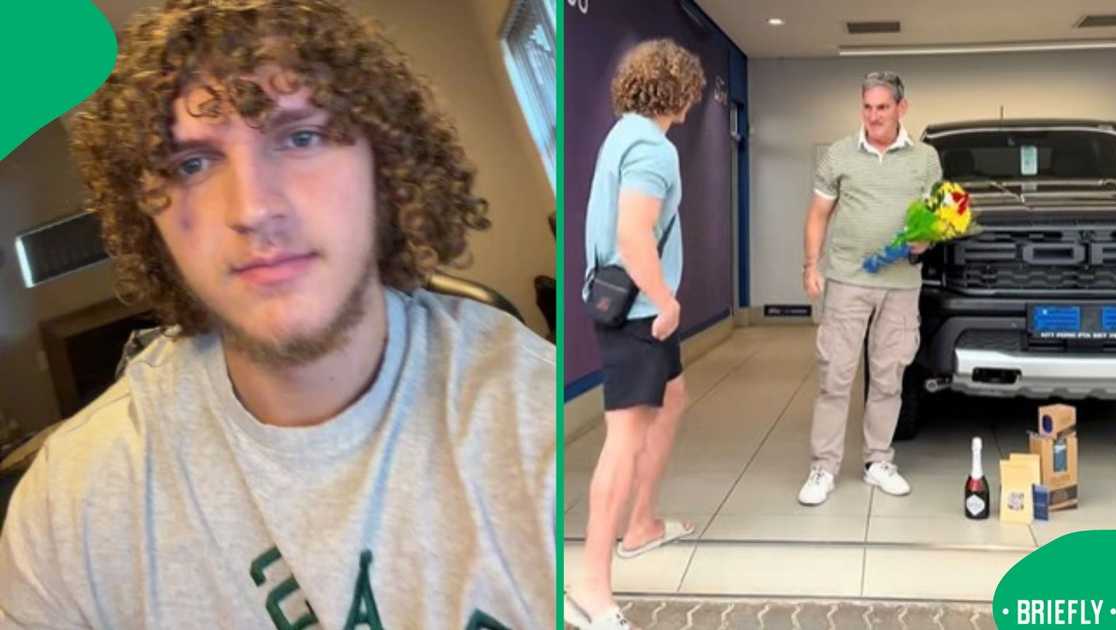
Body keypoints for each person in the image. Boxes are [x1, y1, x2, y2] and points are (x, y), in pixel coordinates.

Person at [0, 1, 555, 628]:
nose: (255, 208)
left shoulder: (543, 431)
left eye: (301, 136)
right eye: (193, 164)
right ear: (146, 218)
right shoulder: (70, 508)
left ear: (388, 167)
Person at [565, 39, 705, 630]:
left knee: (673, 397)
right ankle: (589, 588)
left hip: (633, 306)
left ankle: (641, 525)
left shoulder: (624, 134)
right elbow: (632, 235)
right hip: (641, 313)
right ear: (681, 92)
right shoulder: (653, 147)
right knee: (623, 439)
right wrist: (668, 301)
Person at [798, 71, 942, 506]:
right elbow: (818, 215)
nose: (874, 116)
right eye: (867, 107)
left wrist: (926, 239)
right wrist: (811, 265)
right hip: (846, 280)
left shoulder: (925, 159)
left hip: (900, 285)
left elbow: (933, 219)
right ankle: (823, 468)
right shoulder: (841, 154)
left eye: (883, 107)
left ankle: (878, 460)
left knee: (889, 377)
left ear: (902, 108)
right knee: (835, 377)